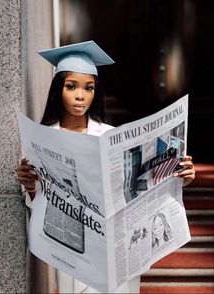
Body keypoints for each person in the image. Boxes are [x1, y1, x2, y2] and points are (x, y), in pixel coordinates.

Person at [16, 40, 195, 293]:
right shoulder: (43, 138)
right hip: (73, 250)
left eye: (88, 88)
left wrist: (178, 178)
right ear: (58, 90)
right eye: (71, 87)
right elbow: (42, 204)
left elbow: (141, 189)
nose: (80, 96)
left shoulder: (110, 137)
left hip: (113, 247)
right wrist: (30, 186)